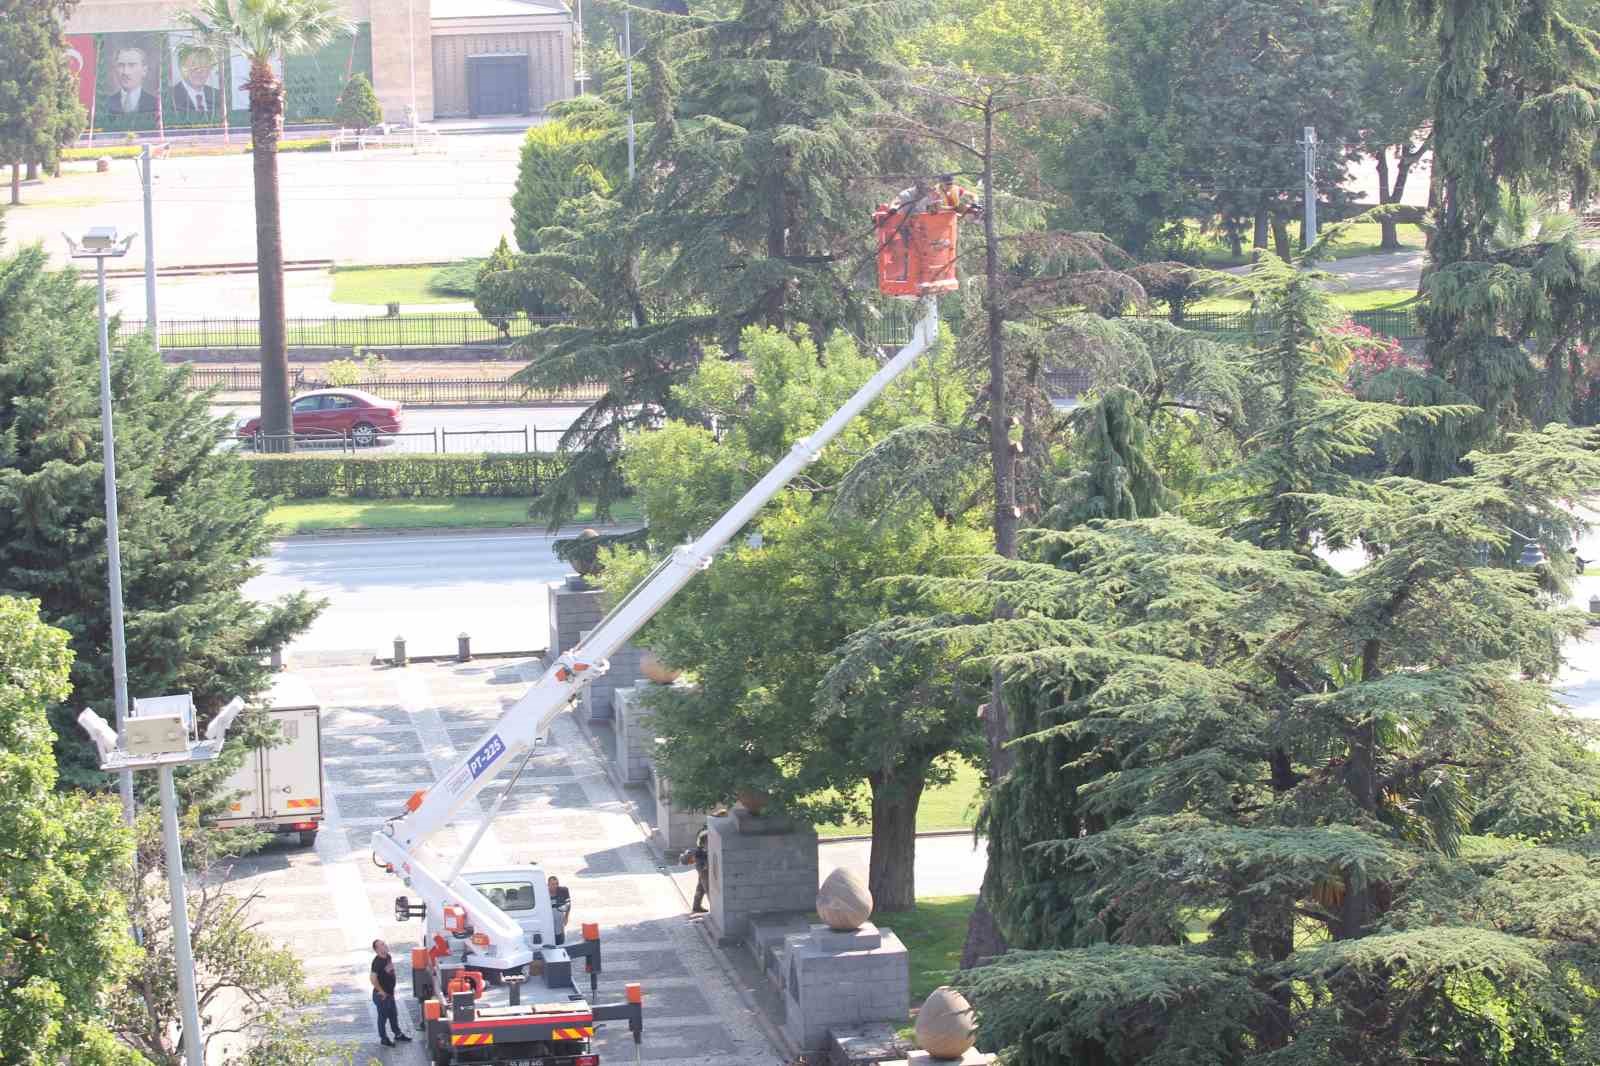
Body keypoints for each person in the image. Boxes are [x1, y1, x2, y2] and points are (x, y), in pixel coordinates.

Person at [369, 939, 412, 1047]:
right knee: (382, 1018)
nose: (385, 945)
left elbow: (390, 971)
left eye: (384, 943)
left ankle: (397, 1034)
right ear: (377, 949)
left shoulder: (388, 956)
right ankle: (384, 1039)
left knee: (393, 1015)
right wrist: (381, 991)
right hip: (382, 996)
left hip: (390, 994)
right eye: (382, 945)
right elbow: (373, 979)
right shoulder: (377, 962)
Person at [102, 45, 158, 115]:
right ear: (115, 69)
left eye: (132, 65)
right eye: (121, 65)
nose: (125, 72)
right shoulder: (105, 104)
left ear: (144, 70)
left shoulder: (156, 104)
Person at [169, 50, 220, 115]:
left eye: (204, 66)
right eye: (193, 65)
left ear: (210, 69)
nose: (199, 71)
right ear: (182, 69)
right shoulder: (168, 99)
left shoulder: (219, 96)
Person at [680, 826, 709, 915]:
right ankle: (714, 910)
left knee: (700, 887)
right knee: (707, 888)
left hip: (701, 866)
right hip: (703, 867)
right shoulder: (708, 834)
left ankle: (696, 906)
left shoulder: (704, 832)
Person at [548, 875, 572, 944]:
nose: (555, 886)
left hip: (559, 919)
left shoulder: (563, 891)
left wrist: (566, 917)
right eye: (553, 884)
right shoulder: (544, 893)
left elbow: (568, 904)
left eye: (557, 884)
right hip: (549, 920)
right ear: (548, 884)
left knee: (560, 938)